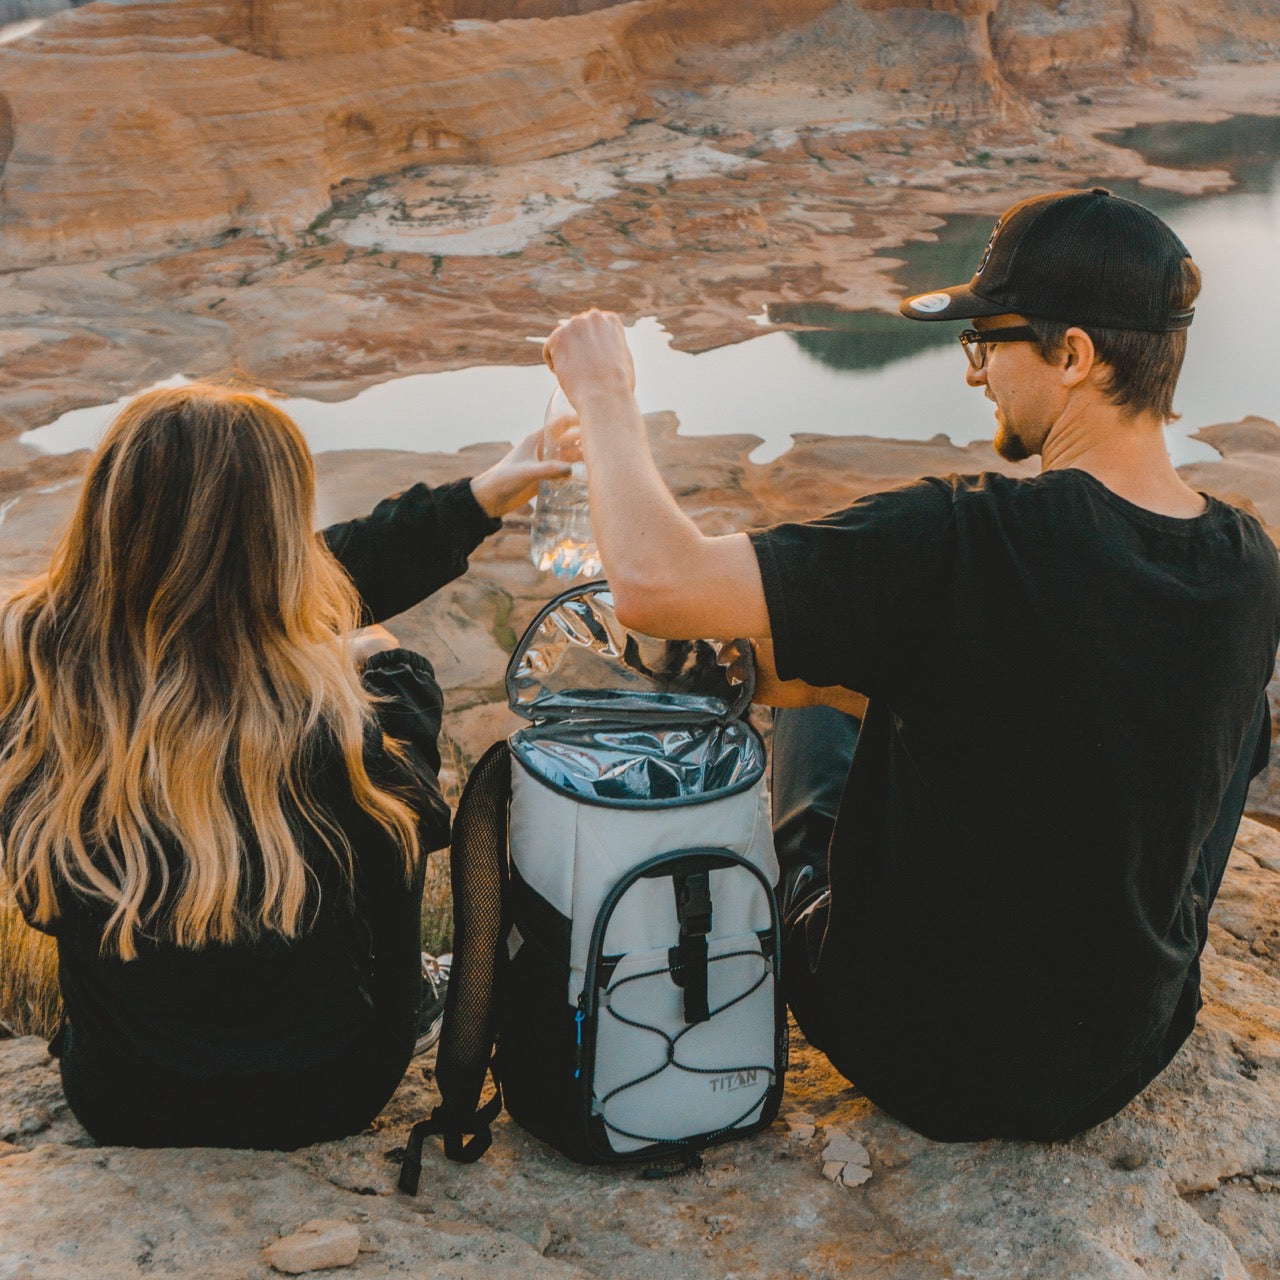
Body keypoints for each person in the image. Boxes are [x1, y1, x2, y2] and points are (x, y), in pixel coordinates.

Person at [542, 188, 1280, 1141]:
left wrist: (604, 394)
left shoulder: (966, 538)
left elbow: (653, 583)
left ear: (1074, 356)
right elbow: (1069, 697)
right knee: (895, 673)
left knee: (810, 710)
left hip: (922, 1055)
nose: (976, 374)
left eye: (989, 343)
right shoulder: (1249, 564)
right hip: (1126, 1051)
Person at [0, 384, 567, 1149]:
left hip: (121, 1095)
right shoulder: (325, 716)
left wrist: (483, 495)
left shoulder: (37, 662)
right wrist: (380, 670)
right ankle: (412, 998)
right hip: (328, 1091)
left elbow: (284, 586)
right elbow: (398, 855)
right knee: (380, 672)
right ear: (276, 541)